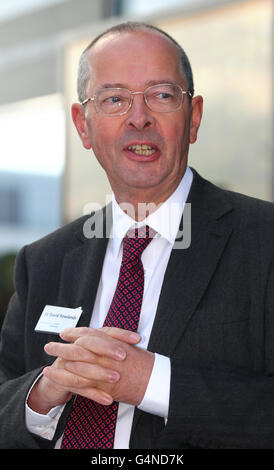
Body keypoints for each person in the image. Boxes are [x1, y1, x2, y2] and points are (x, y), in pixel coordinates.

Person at [0, 21, 274, 450]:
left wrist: (153, 382)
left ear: (194, 117)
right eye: (114, 100)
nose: (139, 117)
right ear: (83, 125)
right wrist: (43, 394)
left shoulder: (264, 242)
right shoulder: (43, 261)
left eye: (162, 96)